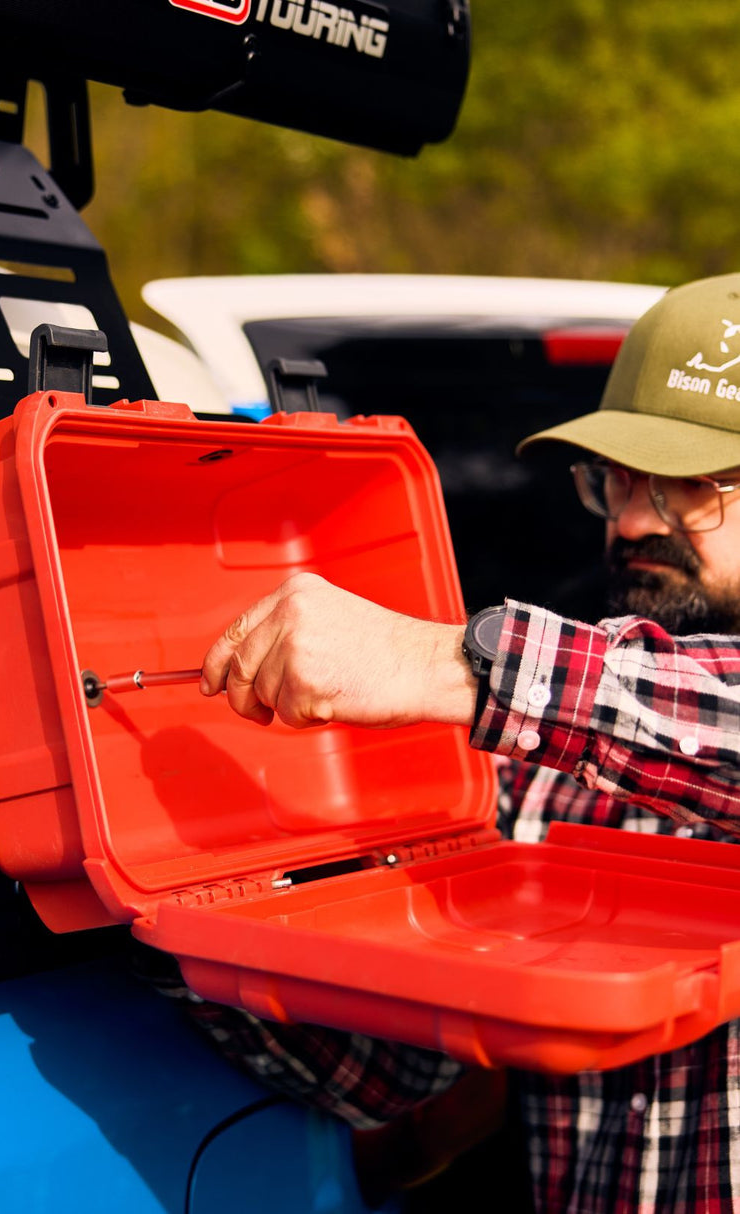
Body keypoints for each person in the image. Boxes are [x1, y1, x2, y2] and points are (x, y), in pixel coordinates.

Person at [174, 273, 740, 1213]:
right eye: (621, 481)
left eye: (689, 487)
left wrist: (454, 662)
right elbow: (394, 1069)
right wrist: (193, 925)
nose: (636, 521)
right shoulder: (551, 780)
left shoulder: (545, 706)